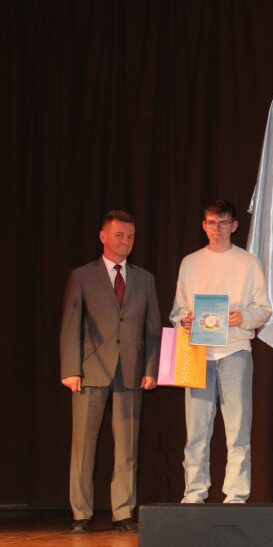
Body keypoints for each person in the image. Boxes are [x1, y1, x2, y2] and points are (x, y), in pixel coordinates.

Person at [59, 210, 161, 533]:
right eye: (119, 235)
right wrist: (71, 368)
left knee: (127, 446)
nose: (125, 241)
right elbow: (70, 325)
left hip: (130, 371)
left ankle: (122, 512)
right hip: (90, 371)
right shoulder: (82, 276)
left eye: (130, 236)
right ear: (103, 237)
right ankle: (81, 513)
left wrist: (151, 368)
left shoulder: (144, 279)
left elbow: (153, 328)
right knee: (83, 446)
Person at [169, 199, 272, 504]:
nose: (217, 229)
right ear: (204, 226)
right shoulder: (190, 262)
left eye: (223, 222)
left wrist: (243, 317)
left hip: (235, 351)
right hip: (197, 353)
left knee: (238, 430)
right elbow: (177, 310)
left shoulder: (248, 263)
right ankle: (194, 493)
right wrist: (185, 319)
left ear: (234, 226)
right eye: (212, 223)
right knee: (196, 430)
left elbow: (264, 309)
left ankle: (236, 496)